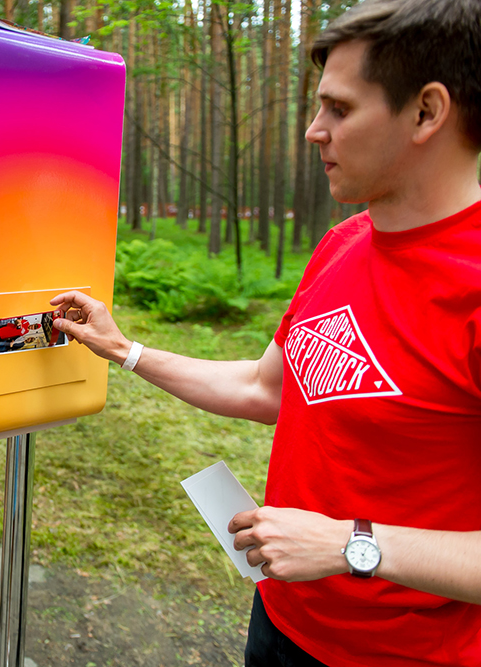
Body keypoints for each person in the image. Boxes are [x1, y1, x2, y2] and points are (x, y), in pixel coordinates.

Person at [52, 0, 481, 664]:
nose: (314, 130)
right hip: (280, 619)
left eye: (339, 109)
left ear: (426, 111)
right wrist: (125, 349)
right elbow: (264, 387)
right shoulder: (343, 243)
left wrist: (349, 544)